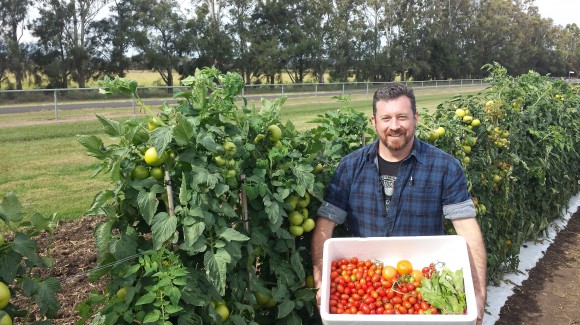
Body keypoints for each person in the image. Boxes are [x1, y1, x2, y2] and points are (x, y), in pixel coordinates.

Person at [311, 83, 487, 324]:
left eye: (402, 117)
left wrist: (478, 292)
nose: (394, 126)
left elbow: (467, 228)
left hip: (422, 293)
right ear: (374, 122)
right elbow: (326, 223)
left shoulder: (445, 166)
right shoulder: (350, 166)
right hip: (367, 296)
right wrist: (322, 280)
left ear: (416, 118)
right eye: (386, 118)